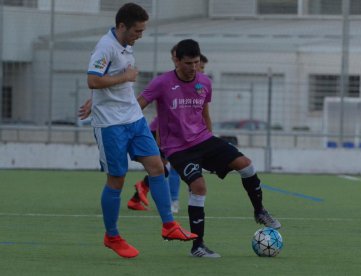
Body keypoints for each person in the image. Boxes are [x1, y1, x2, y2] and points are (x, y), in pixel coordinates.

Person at [138, 39, 282, 258]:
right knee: (199, 187)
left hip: (203, 140)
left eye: (196, 62)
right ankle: (198, 246)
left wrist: (213, 140)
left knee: (246, 165)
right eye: (188, 63)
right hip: (177, 148)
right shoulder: (162, 83)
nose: (193, 68)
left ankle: (260, 210)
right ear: (176, 60)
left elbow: (205, 113)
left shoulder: (204, 82)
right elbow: (136, 106)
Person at [85, 3, 196, 259]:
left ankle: (169, 226)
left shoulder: (126, 45)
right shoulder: (105, 46)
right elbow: (93, 79)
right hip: (110, 124)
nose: (141, 35)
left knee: (158, 167)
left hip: (133, 118)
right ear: (122, 26)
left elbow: (104, 83)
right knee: (117, 178)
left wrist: (95, 97)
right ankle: (111, 236)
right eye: (137, 30)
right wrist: (124, 78)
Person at [128, 47, 209, 214]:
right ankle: (172, 201)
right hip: (162, 132)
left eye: (200, 66)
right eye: (197, 66)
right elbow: (163, 113)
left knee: (163, 169)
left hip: (180, 135)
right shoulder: (170, 82)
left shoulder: (199, 86)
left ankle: (137, 196)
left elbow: (201, 115)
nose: (197, 70)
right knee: (170, 169)